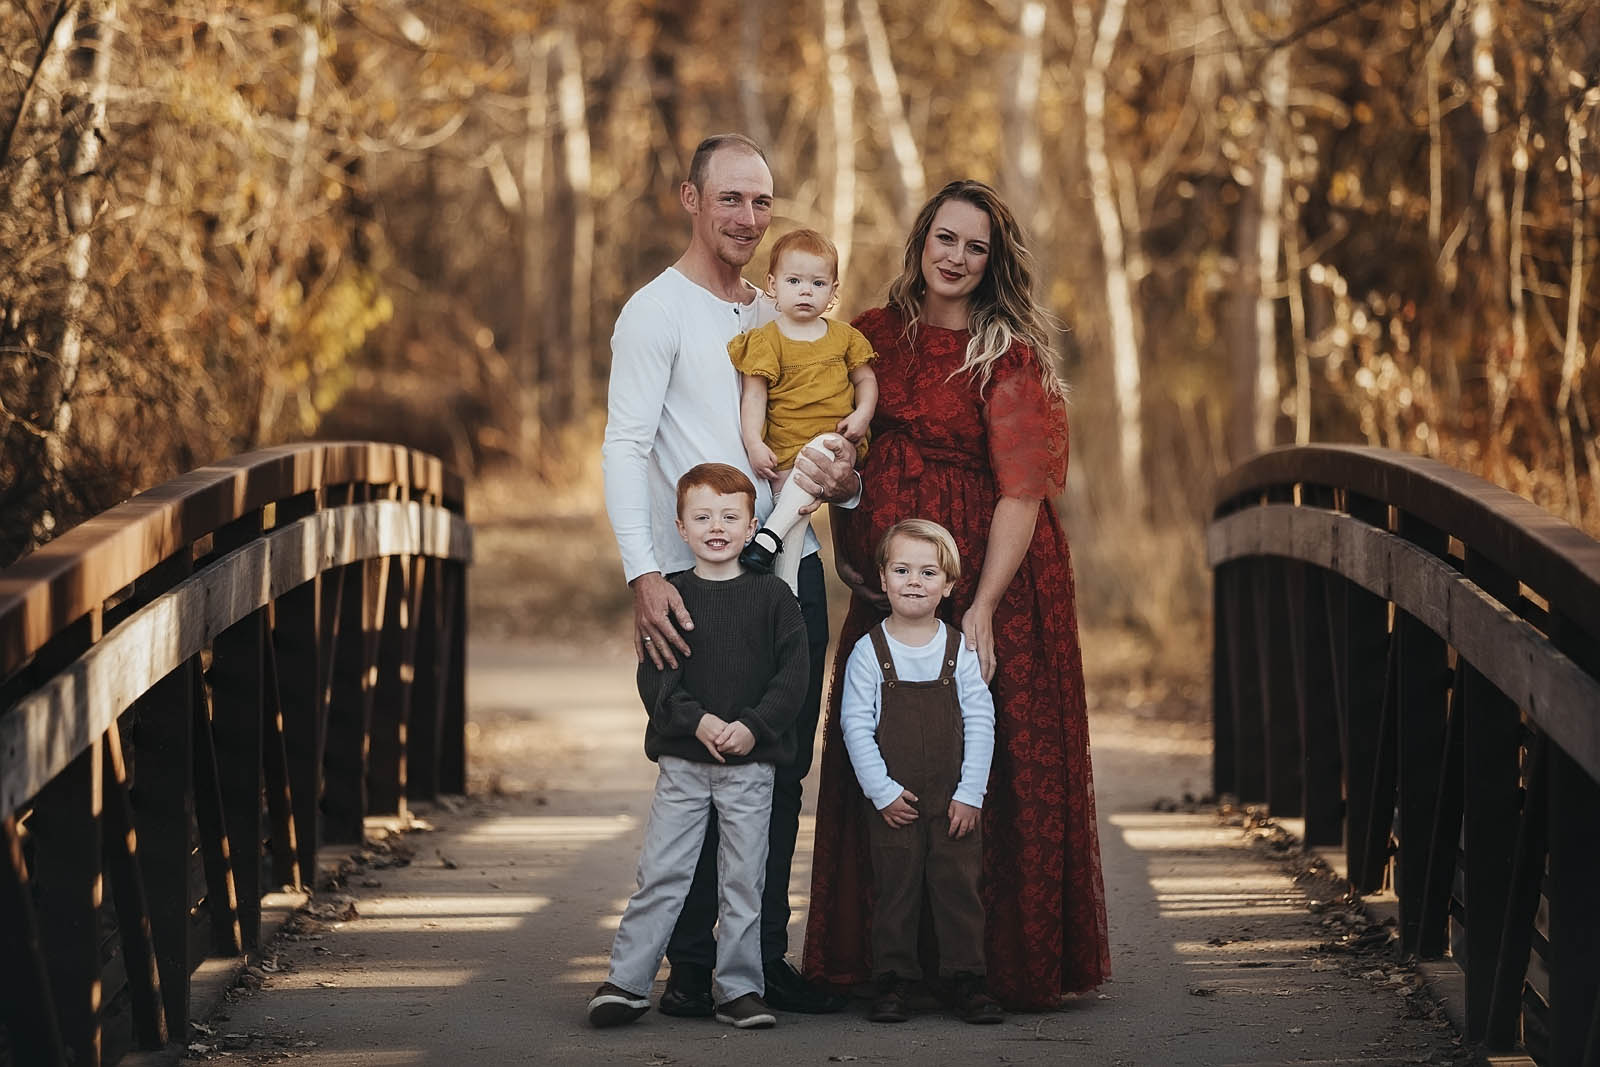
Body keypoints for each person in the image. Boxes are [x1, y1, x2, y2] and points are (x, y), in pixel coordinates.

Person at [803, 179, 1112, 1009]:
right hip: (894, 576)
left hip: (989, 576)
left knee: (988, 750)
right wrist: (848, 549)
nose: (957, 258)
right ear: (922, 239)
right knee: (884, 739)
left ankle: (989, 963)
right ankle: (888, 963)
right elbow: (839, 454)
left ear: (994, 261)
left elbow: (1023, 491)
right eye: (946, 239)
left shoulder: (1007, 354)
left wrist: (979, 605)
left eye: (976, 247)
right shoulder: (868, 338)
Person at [601, 132, 857, 1017]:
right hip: (699, 584)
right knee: (699, 770)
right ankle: (692, 967)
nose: (749, 218)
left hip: (793, 574)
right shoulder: (655, 312)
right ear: (689, 197)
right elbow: (626, 446)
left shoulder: (781, 310)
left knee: (779, 767)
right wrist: (643, 572)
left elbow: (817, 436)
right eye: (731, 199)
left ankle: (759, 958)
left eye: (762, 202)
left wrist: (844, 478)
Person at [587, 464, 806, 1031]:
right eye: (702, 517)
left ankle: (738, 989)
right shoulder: (671, 596)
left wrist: (755, 726)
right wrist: (699, 721)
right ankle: (627, 983)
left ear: (753, 524)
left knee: (742, 880)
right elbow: (655, 679)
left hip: (751, 765)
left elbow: (794, 677)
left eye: (730, 516)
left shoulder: (775, 596)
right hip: (685, 764)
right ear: (680, 527)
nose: (716, 527)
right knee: (660, 873)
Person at [839, 519, 1003, 1026]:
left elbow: (980, 720)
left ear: (949, 585)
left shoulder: (961, 650)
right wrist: (882, 793)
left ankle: (967, 979)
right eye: (903, 569)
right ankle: (893, 981)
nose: (915, 581)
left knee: (958, 888)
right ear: (883, 580)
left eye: (928, 572)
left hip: (953, 798)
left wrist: (971, 792)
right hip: (895, 802)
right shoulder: (869, 652)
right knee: (896, 889)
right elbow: (854, 726)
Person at [731, 227, 878, 594]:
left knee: (820, 455)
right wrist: (753, 442)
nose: (805, 290)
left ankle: (766, 538)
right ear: (773, 285)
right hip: (784, 449)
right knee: (796, 517)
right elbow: (753, 398)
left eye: (817, 282)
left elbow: (866, 382)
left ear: (832, 292)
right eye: (794, 280)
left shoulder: (844, 336)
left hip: (835, 443)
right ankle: (788, 595)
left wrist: (862, 416)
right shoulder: (766, 341)